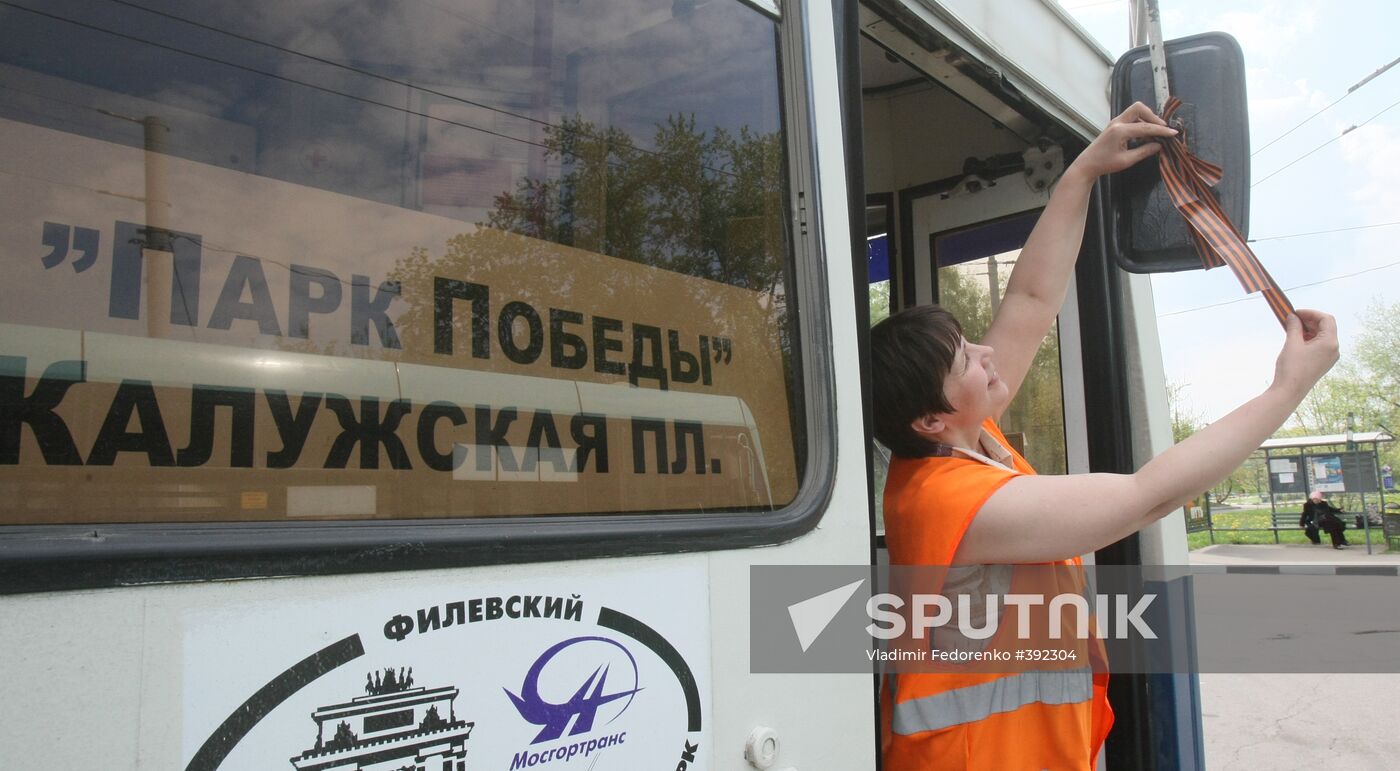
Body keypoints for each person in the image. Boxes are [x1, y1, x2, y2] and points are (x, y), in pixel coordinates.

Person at [871, 102, 1340, 771]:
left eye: (971, 340)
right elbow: (1144, 497)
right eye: (964, 359)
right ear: (930, 418)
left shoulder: (966, 439)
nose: (986, 352)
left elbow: (1032, 301)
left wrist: (1083, 171)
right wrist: (1286, 390)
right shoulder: (951, 502)